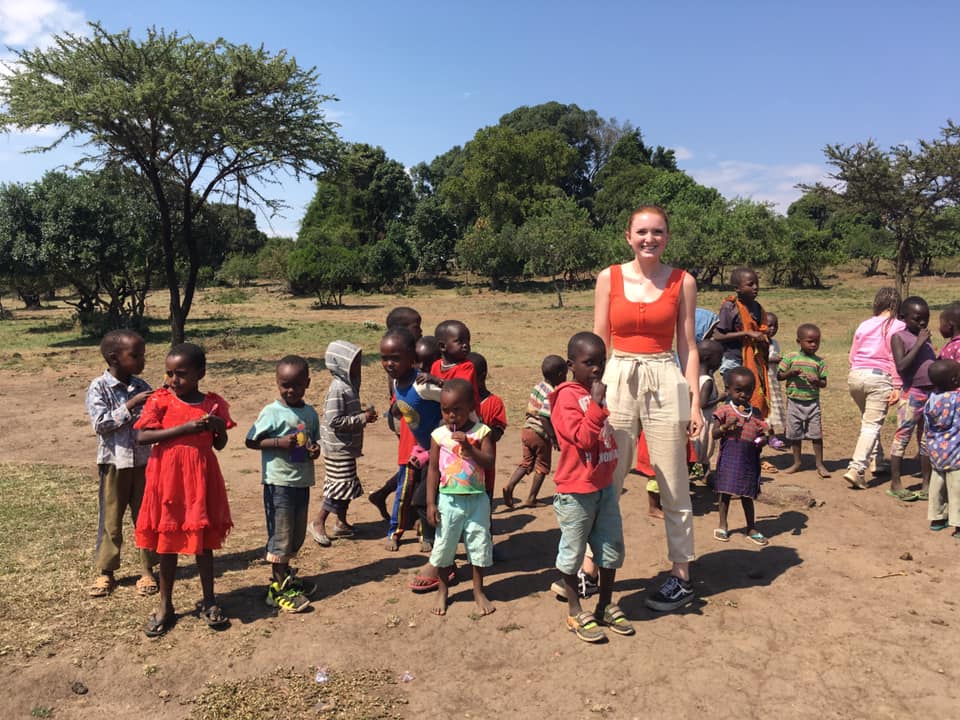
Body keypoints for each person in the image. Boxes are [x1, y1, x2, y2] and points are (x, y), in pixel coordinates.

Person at [593, 205, 702, 613]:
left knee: (673, 479)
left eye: (657, 232)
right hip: (618, 372)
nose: (649, 239)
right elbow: (599, 339)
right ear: (628, 236)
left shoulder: (682, 281)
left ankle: (681, 575)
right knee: (608, 473)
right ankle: (591, 564)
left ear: (667, 237)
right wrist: (594, 395)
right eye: (642, 232)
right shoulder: (609, 277)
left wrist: (694, 402)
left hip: (663, 374)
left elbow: (688, 346)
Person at [134, 343, 234, 637]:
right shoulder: (160, 400)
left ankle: (210, 600)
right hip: (168, 480)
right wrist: (185, 429)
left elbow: (219, 444)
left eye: (181, 374)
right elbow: (142, 436)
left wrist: (219, 427)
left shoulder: (212, 403)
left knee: (203, 544)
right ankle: (166, 604)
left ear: (200, 373)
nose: (173, 379)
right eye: (169, 373)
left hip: (201, 480)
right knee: (167, 544)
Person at [550, 332, 632, 643]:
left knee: (610, 548)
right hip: (576, 491)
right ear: (572, 365)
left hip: (604, 487)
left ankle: (604, 604)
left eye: (601, 362)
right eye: (589, 363)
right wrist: (597, 405)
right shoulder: (566, 398)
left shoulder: (595, 393)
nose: (596, 368)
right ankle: (574, 610)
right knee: (572, 552)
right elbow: (583, 439)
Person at [245, 355, 320, 613]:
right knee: (282, 535)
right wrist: (279, 443)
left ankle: (287, 576)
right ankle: (277, 589)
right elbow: (252, 440)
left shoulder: (309, 413)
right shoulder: (272, 412)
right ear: (277, 383)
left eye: (296, 385)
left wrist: (313, 450)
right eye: (284, 385)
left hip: (301, 481)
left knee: (297, 534)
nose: (290, 390)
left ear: (307, 383)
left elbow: (313, 441)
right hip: (278, 484)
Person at [85, 329, 156, 598]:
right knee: (111, 520)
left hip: (143, 463)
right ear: (114, 358)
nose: (141, 361)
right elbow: (101, 424)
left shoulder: (142, 385)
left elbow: (153, 421)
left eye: (143, 355)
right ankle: (106, 571)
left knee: (145, 517)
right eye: (135, 356)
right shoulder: (99, 387)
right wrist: (130, 405)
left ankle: (148, 569)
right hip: (113, 464)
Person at [425, 378, 496, 617]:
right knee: (445, 546)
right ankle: (443, 589)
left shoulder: (482, 432)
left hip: (476, 500)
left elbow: (489, 462)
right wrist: (431, 503)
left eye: (457, 410)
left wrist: (470, 449)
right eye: (446, 410)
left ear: (470, 407)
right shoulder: (438, 435)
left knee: (479, 545)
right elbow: (433, 470)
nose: (451, 416)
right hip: (448, 500)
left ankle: (478, 590)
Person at [308, 340, 377, 546]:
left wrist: (364, 416)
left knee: (346, 485)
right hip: (337, 448)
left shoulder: (348, 386)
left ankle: (341, 523)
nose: (358, 366)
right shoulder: (338, 389)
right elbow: (334, 421)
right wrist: (362, 418)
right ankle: (318, 521)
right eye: (353, 362)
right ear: (341, 365)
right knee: (340, 486)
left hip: (346, 447)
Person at [381, 327, 442, 552]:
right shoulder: (397, 383)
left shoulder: (422, 385)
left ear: (412, 359)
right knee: (405, 491)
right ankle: (395, 531)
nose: (389, 364)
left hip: (437, 452)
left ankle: (429, 536)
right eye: (384, 358)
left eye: (395, 358)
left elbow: (451, 399)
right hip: (418, 448)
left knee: (425, 496)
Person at [843, 288, 904, 489]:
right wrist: (897, 384)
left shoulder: (865, 324)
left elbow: (853, 354)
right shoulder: (898, 326)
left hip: (856, 376)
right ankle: (857, 468)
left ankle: (877, 461)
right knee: (872, 425)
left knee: (868, 420)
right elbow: (895, 357)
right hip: (880, 378)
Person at [369, 307, 423, 520]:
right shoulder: (397, 359)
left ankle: (385, 495)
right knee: (413, 461)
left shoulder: (403, 356)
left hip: (406, 416)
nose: (420, 330)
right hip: (405, 417)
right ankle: (405, 509)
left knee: (415, 461)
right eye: (416, 326)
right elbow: (400, 398)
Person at [711, 367, 772, 545]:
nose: (743, 395)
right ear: (728, 389)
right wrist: (725, 427)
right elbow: (714, 434)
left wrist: (764, 440)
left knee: (748, 494)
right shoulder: (724, 411)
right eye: (738, 390)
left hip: (749, 458)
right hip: (731, 456)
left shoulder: (756, 413)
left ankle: (751, 527)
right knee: (725, 492)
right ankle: (723, 524)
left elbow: (763, 432)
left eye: (748, 391)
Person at [503, 354, 567, 509]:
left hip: (526, 430)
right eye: (565, 374)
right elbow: (545, 417)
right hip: (540, 433)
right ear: (559, 375)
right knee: (542, 467)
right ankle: (531, 498)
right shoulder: (552, 393)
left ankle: (510, 485)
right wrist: (552, 437)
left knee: (526, 463)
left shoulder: (538, 386)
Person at [888, 297, 936, 500]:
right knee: (903, 437)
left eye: (926, 318)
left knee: (927, 439)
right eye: (918, 319)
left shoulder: (926, 338)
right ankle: (895, 482)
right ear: (903, 317)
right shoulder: (899, 337)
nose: (923, 323)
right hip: (912, 393)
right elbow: (902, 366)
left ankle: (926, 484)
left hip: (931, 393)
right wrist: (918, 344)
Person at [712, 267, 770, 417]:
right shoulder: (730, 307)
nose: (755, 288)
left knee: (751, 396)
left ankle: (751, 431)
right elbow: (718, 335)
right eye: (750, 284)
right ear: (737, 288)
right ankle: (728, 428)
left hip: (753, 359)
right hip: (733, 358)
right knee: (735, 398)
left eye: (757, 284)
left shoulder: (757, 308)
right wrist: (746, 333)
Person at [779, 323, 830, 477]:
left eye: (817, 342)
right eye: (810, 341)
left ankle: (820, 463)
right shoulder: (790, 358)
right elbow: (779, 376)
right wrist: (790, 373)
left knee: (816, 435)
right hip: (794, 402)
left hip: (812, 403)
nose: (814, 345)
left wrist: (816, 381)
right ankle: (797, 462)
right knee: (795, 435)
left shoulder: (819, 362)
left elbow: (824, 383)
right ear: (798, 341)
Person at [924, 359, 960, 537]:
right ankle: (959, 525)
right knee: (957, 489)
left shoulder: (932, 399)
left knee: (937, 485)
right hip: (956, 454)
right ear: (955, 380)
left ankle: (937, 518)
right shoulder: (957, 399)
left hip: (937, 452)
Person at [469, 352, 507, 501]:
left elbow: (497, 435)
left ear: (482, 376)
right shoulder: (459, 404)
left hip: (484, 472)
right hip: (460, 472)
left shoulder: (494, 403)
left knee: (484, 513)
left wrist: (478, 424)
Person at [693, 339, 724, 480]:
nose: (720, 362)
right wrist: (720, 398)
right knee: (702, 449)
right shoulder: (707, 381)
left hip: (694, 419)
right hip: (704, 420)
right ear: (708, 358)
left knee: (695, 451)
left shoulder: (692, 376)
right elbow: (703, 404)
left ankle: (706, 474)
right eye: (719, 358)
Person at [764, 312, 788, 452]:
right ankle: (763, 435)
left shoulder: (775, 344)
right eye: (769, 325)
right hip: (762, 381)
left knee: (772, 410)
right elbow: (758, 359)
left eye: (775, 326)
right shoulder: (758, 342)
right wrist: (771, 360)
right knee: (763, 410)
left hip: (773, 381)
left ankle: (771, 436)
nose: (772, 329)